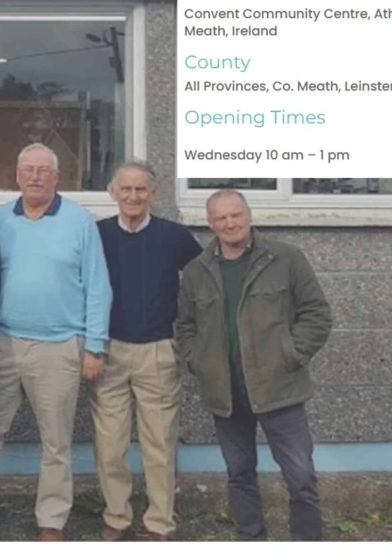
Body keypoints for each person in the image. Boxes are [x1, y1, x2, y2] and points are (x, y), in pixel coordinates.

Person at [176, 189, 332, 542]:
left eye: (235, 215)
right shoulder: (197, 271)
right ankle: (251, 539)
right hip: (226, 394)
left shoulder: (286, 258)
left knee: (301, 477)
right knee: (240, 475)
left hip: (280, 389)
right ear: (211, 223)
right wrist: (197, 361)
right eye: (221, 218)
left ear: (249, 216)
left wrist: (293, 354)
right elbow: (184, 325)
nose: (229, 223)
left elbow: (317, 314)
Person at [0, 142, 111, 542]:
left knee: (56, 439)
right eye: (28, 170)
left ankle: (51, 519)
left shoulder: (79, 221)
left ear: (57, 177)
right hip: (1, 342)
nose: (35, 177)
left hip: (58, 347)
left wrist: (95, 345)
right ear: (18, 176)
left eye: (43, 170)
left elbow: (98, 286)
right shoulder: (0, 219)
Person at [91, 161, 201, 541]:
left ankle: (160, 522)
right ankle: (116, 516)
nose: (133, 196)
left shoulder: (175, 237)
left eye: (141, 190)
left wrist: (186, 335)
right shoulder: (98, 234)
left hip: (157, 350)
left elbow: (203, 284)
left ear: (153, 194)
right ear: (112, 193)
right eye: (126, 189)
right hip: (109, 350)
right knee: (110, 445)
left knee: (159, 444)